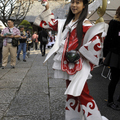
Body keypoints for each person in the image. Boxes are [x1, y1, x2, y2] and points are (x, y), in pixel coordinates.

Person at [34, 0, 108, 119]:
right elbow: (51, 23)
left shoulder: (86, 23)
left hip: (79, 64)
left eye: (78, 2)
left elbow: (96, 42)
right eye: (73, 2)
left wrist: (81, 53)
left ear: (84, 5)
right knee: (71, 92)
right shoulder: (67, 22)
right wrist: (47, 6)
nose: (74, 5)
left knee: (82, 93)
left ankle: (95, 118)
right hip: (69, 63)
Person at [103, 6, 120, 110]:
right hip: (115, 55)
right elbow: (107, 39)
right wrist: (104, 55)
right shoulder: (114, 23)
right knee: (114, 79)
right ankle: (110, 101)